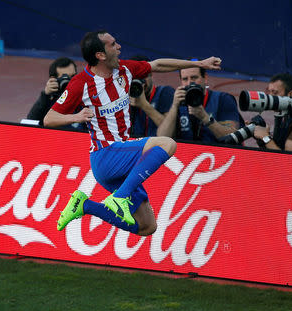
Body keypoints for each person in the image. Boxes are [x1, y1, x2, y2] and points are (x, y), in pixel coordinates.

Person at [44, 30, 222, 236]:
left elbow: (157, 65)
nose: (119, 47)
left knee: (147, 226)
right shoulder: (81, 83)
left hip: (121, 159)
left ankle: (85, 206)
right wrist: (75, 117)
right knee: (167, 144)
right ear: (100, 55)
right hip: (106, 155)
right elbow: (49, 119)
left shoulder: (125, 70)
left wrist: (200, 63)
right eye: (112, 45)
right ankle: (120, 197)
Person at [156, 65, 243, 143]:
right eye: (185, 79)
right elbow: (162, 138)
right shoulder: (179, 102)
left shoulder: (223, 99)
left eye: (194, 78)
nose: (190, 83)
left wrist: (205, 117)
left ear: (205, 78)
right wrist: (174, 107)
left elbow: (232, 138)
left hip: (217, 155)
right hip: (188, 156)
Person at [26, 57, 85, 131]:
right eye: (65, 77)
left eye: (73, 76)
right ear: (53, 79)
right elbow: (30, 123)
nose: (71, 81)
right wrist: (45, 95)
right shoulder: (48, 99)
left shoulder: (82, 95)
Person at [128, 55, 175, 137]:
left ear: (151, 74)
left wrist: (144, 105)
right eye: (135, 77)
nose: (141, 82)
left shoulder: (164, 92)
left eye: (143, 76)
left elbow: (170, 131)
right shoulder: (126, 98)